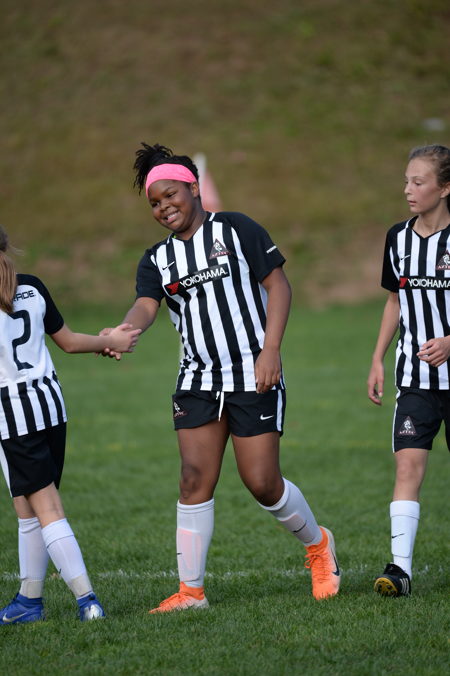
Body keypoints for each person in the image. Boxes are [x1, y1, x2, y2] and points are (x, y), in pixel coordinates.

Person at [102, 142, 340, 612]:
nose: (164, 207)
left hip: (253, 371)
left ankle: (318, 545)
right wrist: (125, 329)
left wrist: (270, 350)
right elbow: (146, 304)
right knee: (193, 480)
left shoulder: (236, 229)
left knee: (262, 482)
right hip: (197, 380)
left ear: (193, 188)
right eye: (155, 202)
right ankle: (191, 592)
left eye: (171, 195)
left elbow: (278, 286)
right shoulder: (156, 259)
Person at [0, 226, 141, 624]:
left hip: (13, 416)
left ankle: (88, 601)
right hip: (50, 408)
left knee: (46, 508)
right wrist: (111, 340)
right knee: (27, 508)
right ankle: (29, 600)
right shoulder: (32, 286)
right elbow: (70, 341)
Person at [368, 144, 450, 596]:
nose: (408, 190)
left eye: (418, 182)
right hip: (415, 380)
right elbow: (395, 300)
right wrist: (378, 357)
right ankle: (400, 571)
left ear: (445, 187)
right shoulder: (397, 238)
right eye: (406, 181)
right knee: (407, 467)